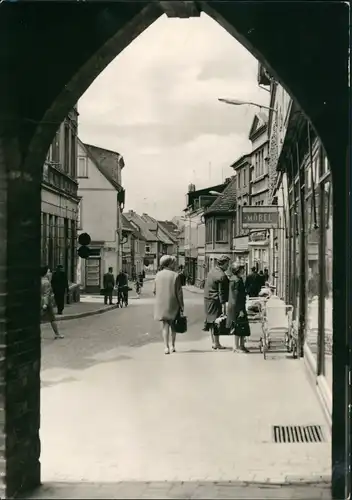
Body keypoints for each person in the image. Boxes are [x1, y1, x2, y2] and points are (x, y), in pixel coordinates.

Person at [153, 255, 184, 355]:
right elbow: (179, 293)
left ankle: (166, 347)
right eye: (173, 263)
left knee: (165, 325)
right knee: (173, 325)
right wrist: (182, 305)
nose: (175, 265)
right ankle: (173, 346)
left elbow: (154, 291)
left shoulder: (158, 275)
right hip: (173, 303)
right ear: (169, 264)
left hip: (162, 303)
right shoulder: (175, 275)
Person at [203, 255, 230, 350]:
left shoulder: (212, 271)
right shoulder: (221, 275)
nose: (228, 266)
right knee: (217, 322)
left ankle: (214, 342)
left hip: (208, 299)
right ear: (223, 264)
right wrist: (224, 306)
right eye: (227, 264)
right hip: (215, 300)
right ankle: (216, 343)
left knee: (211, 322)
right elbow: (221, 292)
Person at [226, 264, 250, 353]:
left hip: (235, 306)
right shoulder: (237, 281)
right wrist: (240, 310)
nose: (243, 271)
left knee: (241, 326)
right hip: (238, 307)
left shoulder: (233, 279)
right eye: (242, 269)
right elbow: (236, 296)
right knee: (239, 326)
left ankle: (241, 345)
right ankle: (237, 346)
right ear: (237, 270)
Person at [41, 265, 64, 339]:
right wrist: (45, 304)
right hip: (46, 303)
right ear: (45, 273)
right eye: (48, 271)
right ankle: (57, 334)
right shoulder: (46, 282)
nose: (50, 272)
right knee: (52, 319)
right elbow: (46, 294)